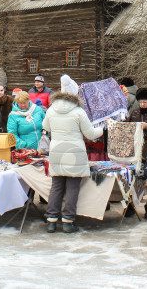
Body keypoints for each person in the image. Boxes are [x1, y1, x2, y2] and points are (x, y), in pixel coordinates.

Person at [42, 91, 104, 233]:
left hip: (57, 151)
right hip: (74, 152)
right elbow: (90, 134)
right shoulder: (79, 112)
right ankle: (67, 221)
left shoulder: (51, 110)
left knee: (56, 186)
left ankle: (51, 220)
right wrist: (102, 128)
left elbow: (46, 127)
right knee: (72, 187)